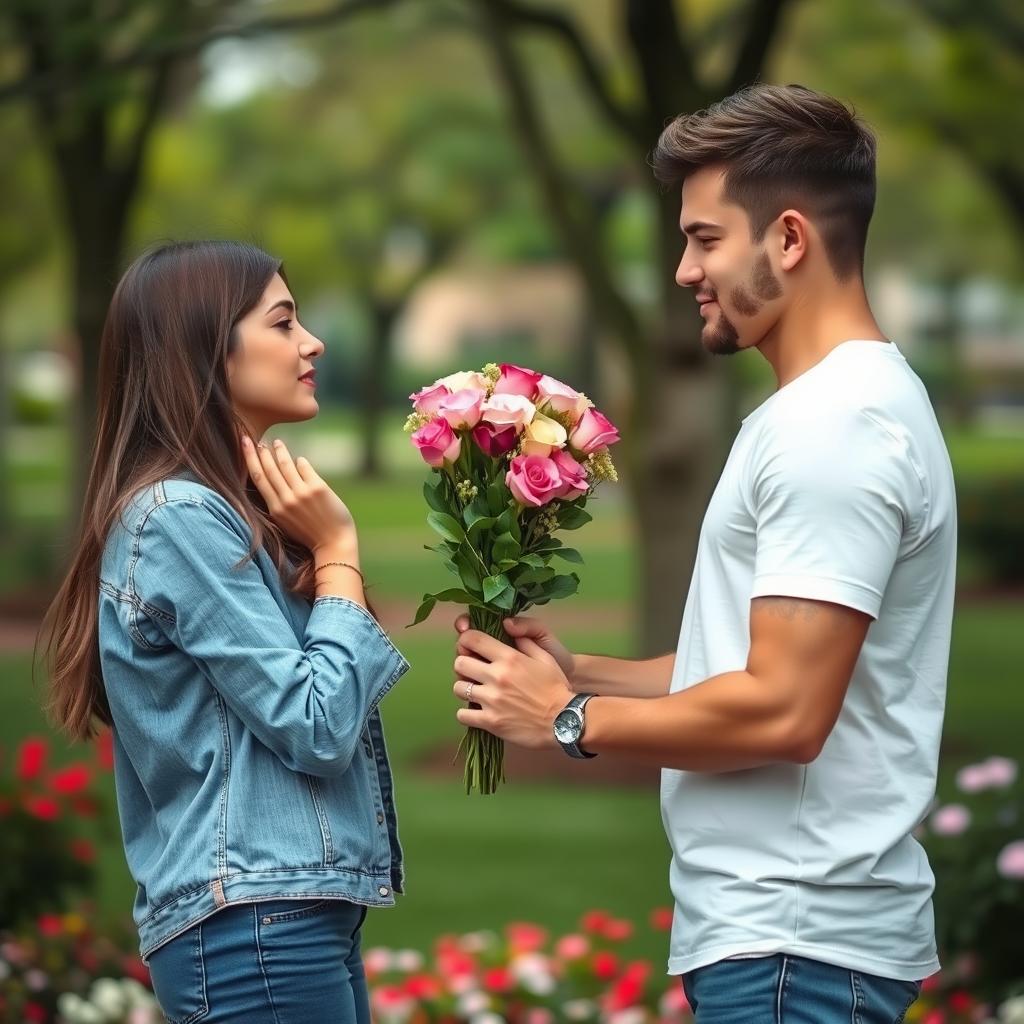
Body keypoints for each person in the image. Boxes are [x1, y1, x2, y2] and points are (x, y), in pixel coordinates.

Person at [451, 84, 956, 1024]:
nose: (684, 270)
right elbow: (753, 669)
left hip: (796, 944)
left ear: (790, 240)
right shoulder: (831, 410)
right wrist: (585, 668)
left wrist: (570, 717)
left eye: (705, 238)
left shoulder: (833, 429)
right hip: (785, 944)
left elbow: (785, 711)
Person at [41, 240, 410, 1024]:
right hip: (255, 927)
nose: (311, 342)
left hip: (282, 918)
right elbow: (317, 723)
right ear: (206, 348)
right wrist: (339, 551)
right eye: (282, 323)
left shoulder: (219, 515)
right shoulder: (178, 519)